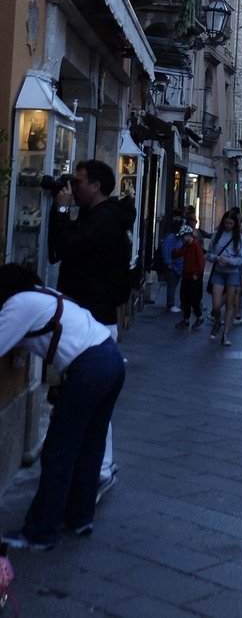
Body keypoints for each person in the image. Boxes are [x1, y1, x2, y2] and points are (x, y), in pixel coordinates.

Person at [0, 264, 126, 550]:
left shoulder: (18, 304)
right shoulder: (44, 295)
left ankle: (41, 532)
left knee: (59, 450)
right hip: (112, 359)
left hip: (89, 367)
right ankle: (80, 518)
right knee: (90, 446)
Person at [49, 159, 134, 501]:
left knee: (93, 399)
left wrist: (61, 210)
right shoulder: (104, 217)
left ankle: (100, 469)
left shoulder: (104, 222)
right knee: (87, 397)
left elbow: (65, 247)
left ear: (96, 185)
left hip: (93, 318)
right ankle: (95, 465)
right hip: (91, 315)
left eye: (79, 181)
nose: (75, 186)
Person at [206, 212, 242, 346]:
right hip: (218, 271)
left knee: (230, 304)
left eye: (231, 223)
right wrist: (216, 258)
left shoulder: (239, 238)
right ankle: (217, 322)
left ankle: (226, 333)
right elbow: (209, 253)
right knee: (216, 305)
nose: (228, 226)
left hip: (232, 272)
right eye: (226, 223)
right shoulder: (216, 235)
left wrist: (229, 261)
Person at [172, 225, 205, 330]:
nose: (182, 239)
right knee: (184, 297)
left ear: (189, 235)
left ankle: (199, 317)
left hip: (194, 277)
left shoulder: (195, 246)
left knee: (194, 299)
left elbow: (201, 262)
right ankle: (186, 319)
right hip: (186, 275)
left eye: (183, 236)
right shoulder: (185, 246)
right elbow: (180, 253)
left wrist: (197, 274)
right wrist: (175, 252)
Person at [160, 218, 184, 313]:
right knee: (172, 285)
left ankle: (171, 304)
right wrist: (168, 262)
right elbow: (166, 250)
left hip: (177, 265)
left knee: (173, 284)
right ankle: (170, 304)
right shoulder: (171, 237)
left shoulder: (176, 237)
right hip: (173, 265)